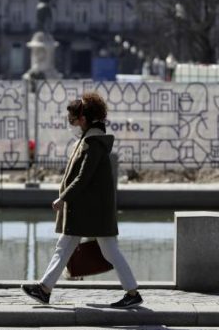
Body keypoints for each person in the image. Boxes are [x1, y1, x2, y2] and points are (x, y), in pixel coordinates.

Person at [21, 91, 142, 308]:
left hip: (89, 210)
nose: (71, 124)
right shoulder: (90, 139)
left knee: (106, 250)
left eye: (72, 120)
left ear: (83, 119)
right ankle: (44, 289)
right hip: (89, 209)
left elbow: (83, 177)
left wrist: (63, 198)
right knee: (73, 246)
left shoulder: (93, 143)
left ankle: (132, 293)